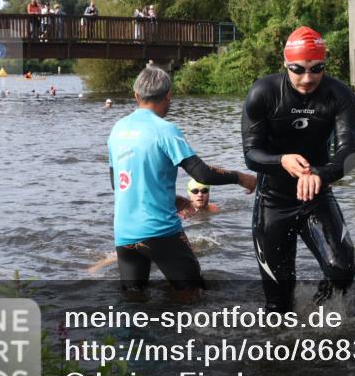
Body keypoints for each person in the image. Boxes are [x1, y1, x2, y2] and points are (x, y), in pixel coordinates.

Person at [108, 65, 257, 301]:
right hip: (160, 231)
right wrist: (241, 177)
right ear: (169, 96)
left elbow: (118, 184)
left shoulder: (117, 130)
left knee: (134, 301)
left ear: (136, 96)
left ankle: (133, 338)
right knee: (194, 295)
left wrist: (174, 199)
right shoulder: (166, 130)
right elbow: (203, 174)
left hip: (124, 233)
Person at [241, 26, 355, 312]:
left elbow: (349, 153)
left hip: (315, 196)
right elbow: (251, 154)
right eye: (299, 69)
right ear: (285, 64)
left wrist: (320, 174)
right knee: (278, 304)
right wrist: (281, 160)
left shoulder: (339, 94)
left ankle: (318, 312)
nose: (308, 78)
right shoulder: (263, 92)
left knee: (342, 271)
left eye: (317, 68)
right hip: (273, 202)